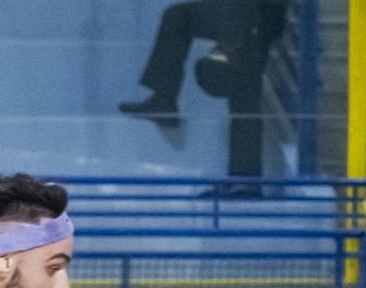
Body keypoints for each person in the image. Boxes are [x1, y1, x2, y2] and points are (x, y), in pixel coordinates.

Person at [119, 0, 290, 196]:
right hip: (235, 15)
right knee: (178, 16)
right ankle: (164, 98)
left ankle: (245, 181)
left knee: (244, 81)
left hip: (260, 14)